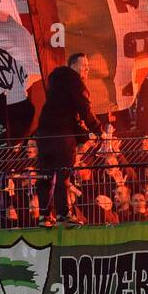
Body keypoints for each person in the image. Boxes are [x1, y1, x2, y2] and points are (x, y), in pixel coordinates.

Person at [34, 64, 103, 225]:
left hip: (44, 136)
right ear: (75, 68)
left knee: (45, 175)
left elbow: (64, 117)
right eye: (84, 66)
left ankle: (44, 215)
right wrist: (98, 130)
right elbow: (85, 110)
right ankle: (63, 215)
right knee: (63, 175)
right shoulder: (75, 84)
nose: (87, 70)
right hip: (63, 138)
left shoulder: (53, 94)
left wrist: (84, 135)